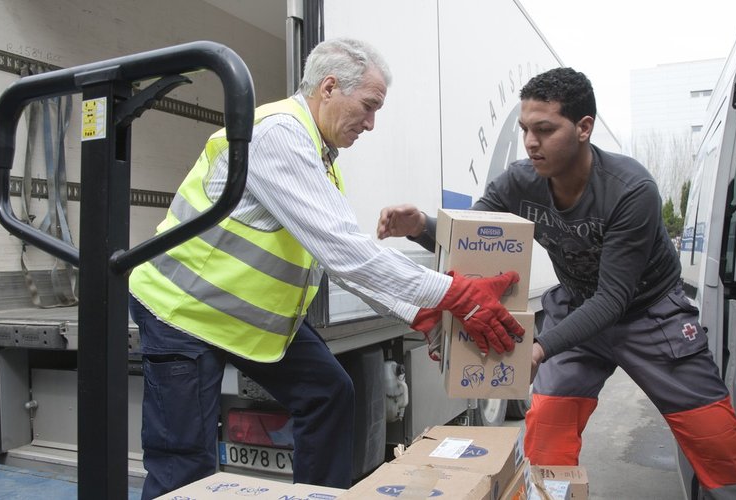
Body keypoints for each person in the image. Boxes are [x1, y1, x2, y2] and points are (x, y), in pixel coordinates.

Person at [127, 38, 524, 499]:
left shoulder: (319, 157)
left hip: (243, 319)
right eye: (369, 106)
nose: (372, 124)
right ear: (330, 87)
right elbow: (347, 253)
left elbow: (337, 257)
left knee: (329, 393)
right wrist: (453, 294)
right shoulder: (277, 135)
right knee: (184, 463)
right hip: (185, 315)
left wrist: (419, 313)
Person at [377, 67, 736, 499]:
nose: (531, 142)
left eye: (545, 130)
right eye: (526, 129)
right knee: (546, 438)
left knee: (718, 443)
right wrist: (420, 225)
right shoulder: (519, 181)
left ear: (584, 127)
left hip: (648, 315)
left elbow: (614, 299)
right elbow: (474, 237)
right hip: (577, 310)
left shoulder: (630, 189)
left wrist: (540, 348)